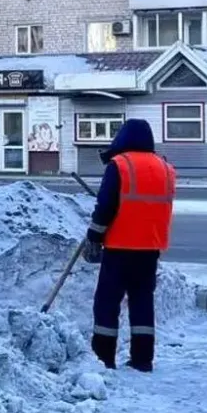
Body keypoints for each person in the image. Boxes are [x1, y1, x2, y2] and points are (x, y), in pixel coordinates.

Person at [82, 119, 176, 372]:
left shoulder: (119, 165)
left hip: (120, 246)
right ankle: (143, 359)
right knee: (142, 300)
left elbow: (106, 207)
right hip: (150, 247)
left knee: (107, 302)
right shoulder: (166, 168)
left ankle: (104, 358)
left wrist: (94, 236)